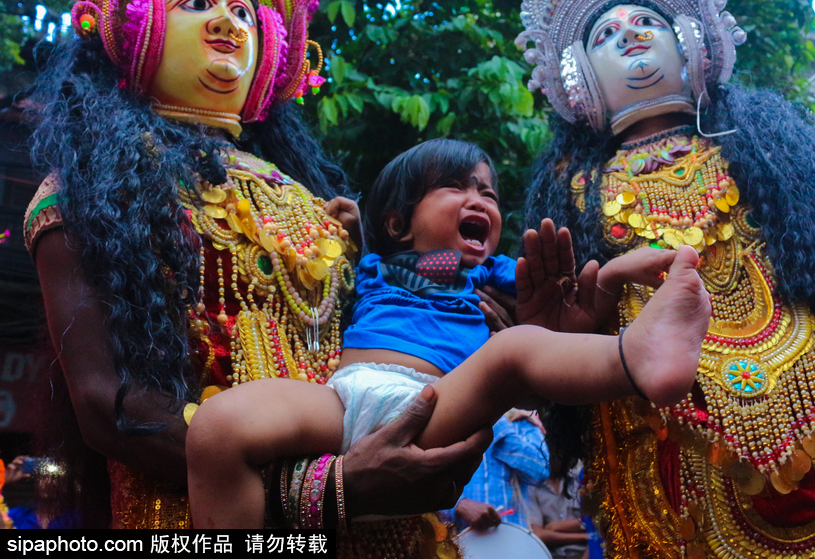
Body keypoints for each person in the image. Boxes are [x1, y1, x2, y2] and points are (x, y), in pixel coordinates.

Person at [24, 0, 493, 551]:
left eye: (244, 13)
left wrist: (490, 309)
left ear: (273, 46)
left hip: (375, 518)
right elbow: (107, 407)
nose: (226, 23)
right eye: (196, 4)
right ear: (141, 25)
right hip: (203, 510)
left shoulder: (307, 199)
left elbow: (381, 338)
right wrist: (320, 486)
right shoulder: (88, 186)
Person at [520, 0, 815, 557]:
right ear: (580, 74)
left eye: (647, 23)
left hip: (813, 386)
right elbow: (579, 332)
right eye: (606, 33)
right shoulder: (578, 190)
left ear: (691, 41)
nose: (631, 36)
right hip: (670, 427)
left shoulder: (757, 151)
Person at [186, 138, 713, 528]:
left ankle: (633, 358)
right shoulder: (374, 264)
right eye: (455, 186)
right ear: (397, 224)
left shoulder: (487, 271)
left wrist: (618, 271)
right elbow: (374, 250)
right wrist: (350, 224)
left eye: (487, 192)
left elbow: (567, 285)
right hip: (343, 402)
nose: (479, 199)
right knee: (217, 427)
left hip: (436, 403)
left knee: (513, 350)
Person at [453, 410, 549, 531]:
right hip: (457, 540)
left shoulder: (523, 422)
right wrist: (459, 505)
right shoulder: (448, 421)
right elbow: (425, 483)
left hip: (513, 540)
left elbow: (541, 472)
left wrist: (495, 421)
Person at [527, 457, 588, 559]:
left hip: (584, 553)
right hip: (550, 555)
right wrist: (584, 537)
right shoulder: (532, 487)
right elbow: (538, 535)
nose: (554, 458)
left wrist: (557, 527)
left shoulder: (580, 480)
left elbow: (596, 522)